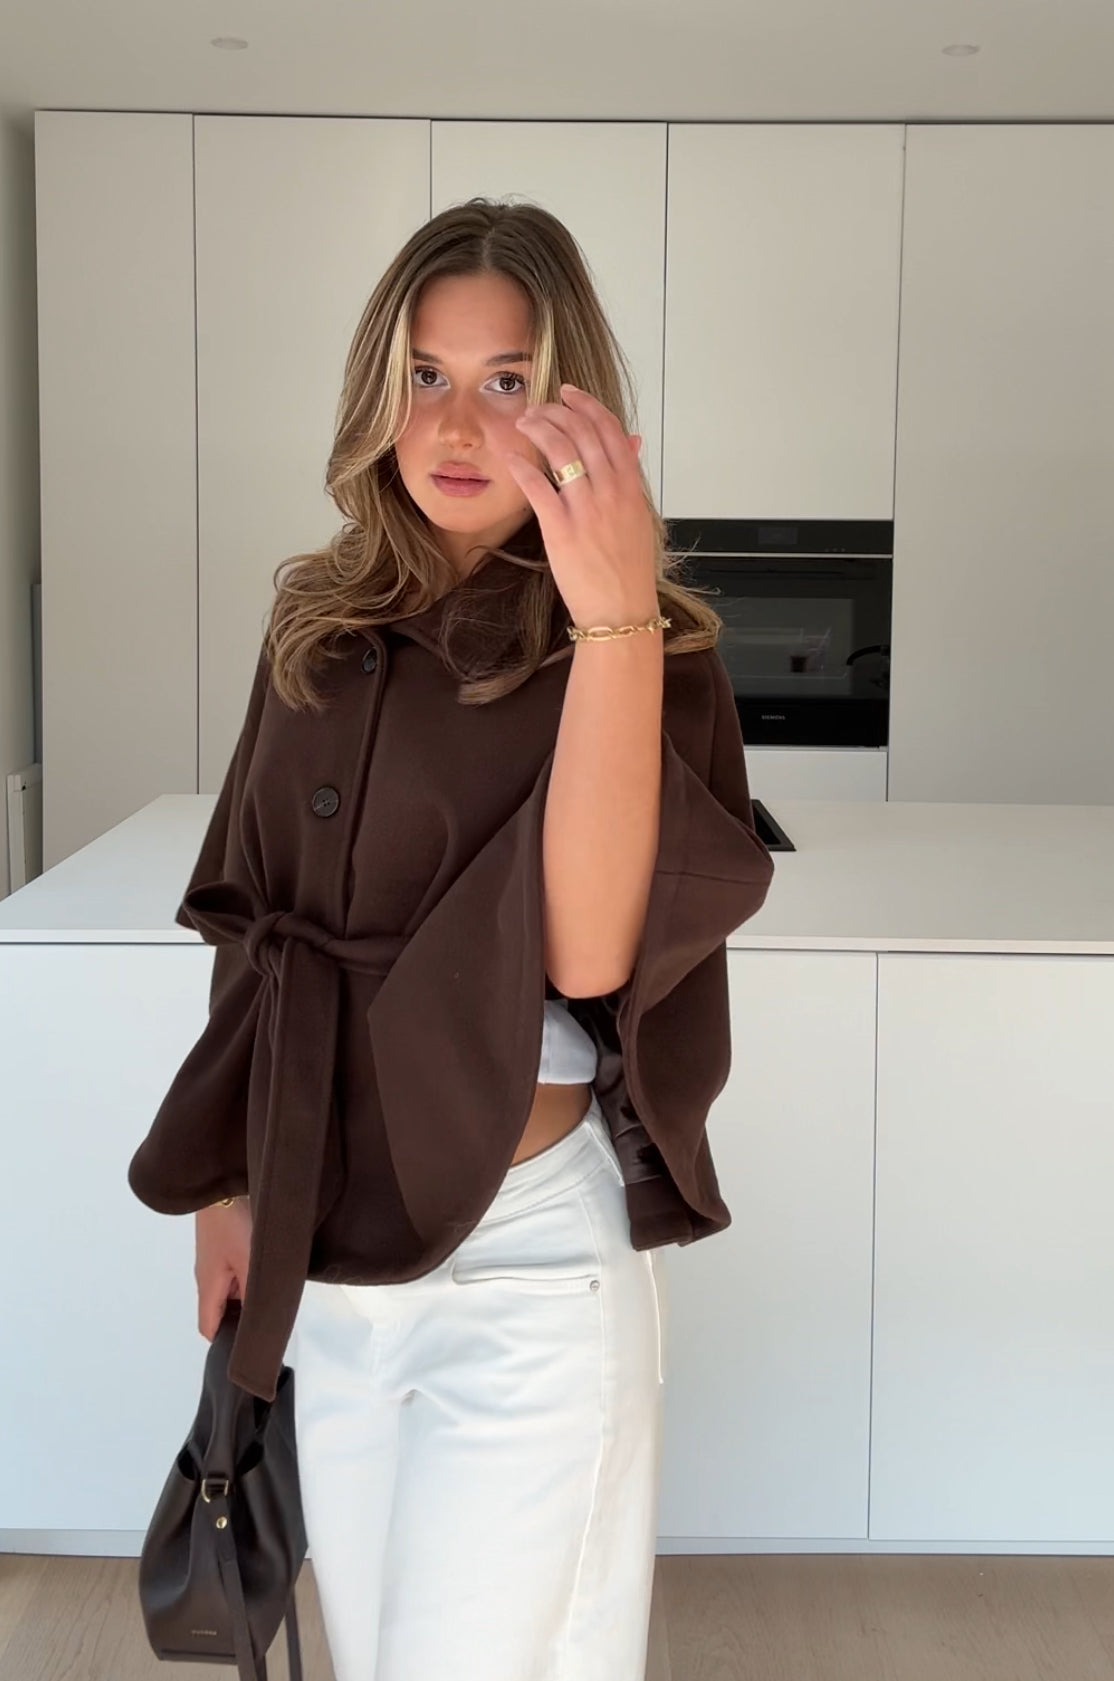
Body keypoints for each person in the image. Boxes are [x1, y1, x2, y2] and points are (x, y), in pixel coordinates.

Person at [132, 197, 775, 1681]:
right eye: (424, 374)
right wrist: (225, 1183)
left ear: (573, 401)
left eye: (506, 378)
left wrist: (610, 617)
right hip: (330, 1251)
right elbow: (249, 911)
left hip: (523, 1267)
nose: (457, 422)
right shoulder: (318, 619)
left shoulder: (641, 646)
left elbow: (590, 955)